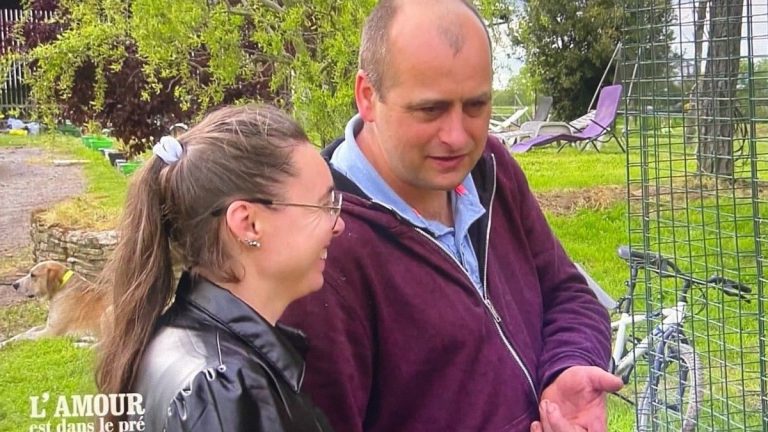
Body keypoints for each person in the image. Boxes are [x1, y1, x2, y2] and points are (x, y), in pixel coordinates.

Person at [280, 1, 623, 431]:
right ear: (367, 96)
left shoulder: (491, 170)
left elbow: (567, 293)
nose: (459, 136)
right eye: (431, 110)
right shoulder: (324, 243)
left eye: (477, 106)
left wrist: (567, 367)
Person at [95, 104, 344, 432]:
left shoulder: (187, 350)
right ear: (248, 223)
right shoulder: (224, 390)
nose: (338, 224)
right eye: (323, 205)